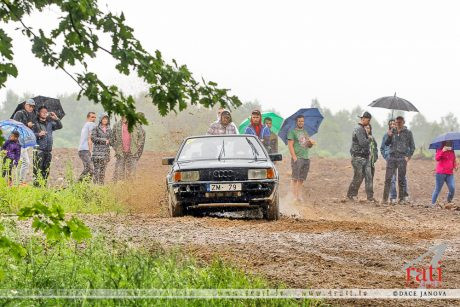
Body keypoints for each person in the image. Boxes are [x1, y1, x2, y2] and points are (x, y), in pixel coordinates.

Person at [382, 116, 415, 205]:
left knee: (401, 179)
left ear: (403, 122)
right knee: (388, 179)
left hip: (401, 157)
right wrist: (389, 136)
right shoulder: (392, 131)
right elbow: (386, 144)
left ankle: (401, 199)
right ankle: (385, 199)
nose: (398, 123)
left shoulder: (408, 133)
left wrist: (408, 156)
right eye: (397, 122)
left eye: (400, 122)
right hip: (392, 157)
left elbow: (412, 146)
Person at [347, 111, 375, 202]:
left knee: (369, 177)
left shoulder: (362, 129)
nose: (369, 122)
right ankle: (351, 195)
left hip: (365, 157)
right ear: (364, 119)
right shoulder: (359, 129)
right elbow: (363, 143)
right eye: (368, 120)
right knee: (358, 177)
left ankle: (370, 197)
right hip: (358, 158)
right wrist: (369, 138)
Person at [32, 106, 63, 186]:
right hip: (39, 150)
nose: (45, 113)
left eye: (46, 112)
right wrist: (38, 134)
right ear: (39, 113)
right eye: (43, 112)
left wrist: (56, 118)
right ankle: (36, 189)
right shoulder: (35, 123)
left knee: (46, 171)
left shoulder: (50, 123)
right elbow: (30, 135)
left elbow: (60, 126)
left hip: (48, 151)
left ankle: (43, 188)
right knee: (38, 171)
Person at [288, 115, 314, 202]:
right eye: (299, 121)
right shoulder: (292, 132)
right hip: (297, 157)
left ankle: (299, 195)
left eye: (302, 121)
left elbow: (308, 145)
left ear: (304, 122)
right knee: (295, 178)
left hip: (306, 157)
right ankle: (293, 196)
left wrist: (311, 143)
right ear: (296, 122)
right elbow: (290, 145)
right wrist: (294, 157)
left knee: (301, 179)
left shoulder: (305, 132)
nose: (301, 122)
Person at [111, 116, 144, 181]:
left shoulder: (136, 124)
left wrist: (137, 145)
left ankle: (131, 187)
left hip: (132, 152)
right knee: (120, 172)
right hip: (121, 153)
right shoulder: (116, 125)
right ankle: (122, 187)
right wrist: (116, 148)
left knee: (132, 172)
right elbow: (112, 138)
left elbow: (141, 136)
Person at [12, 98, 37, 184]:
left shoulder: (29, 115)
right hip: (17, 143)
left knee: (25, 162)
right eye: (30, 106)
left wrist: (30, 127)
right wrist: (27, 125)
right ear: (25, 105)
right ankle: (18, 183)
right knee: (22, 162)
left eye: (33, 106)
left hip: (24, 143)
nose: (31, 108)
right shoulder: (19, 113)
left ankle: (20, 182)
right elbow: (15, 126)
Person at [431, 141, 457, 206]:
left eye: (450, 143)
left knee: (452, 188)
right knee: (437, 189)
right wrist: (443, 151)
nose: (450, 144)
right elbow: (437, 158)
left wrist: (455, 166)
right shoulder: (439, 149)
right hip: (440, 173)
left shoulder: (452, 151)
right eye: (448, 143)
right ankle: (432, 204)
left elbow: (453, 160)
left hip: (450, 173)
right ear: (445, 143)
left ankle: (449, 202)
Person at [91, 114, 112, 184]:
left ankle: (101, 185)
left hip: (105, 153)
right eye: (103, 119)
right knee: (96, 169)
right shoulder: (96, 128)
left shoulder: (109, 129)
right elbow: (93, 138)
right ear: (100, 120)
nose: (105, 120)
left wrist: (111, 141)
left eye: (106, 119)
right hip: (97, 153)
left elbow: (111, 140)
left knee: (103, 170)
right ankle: (95, 184)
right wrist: (104, 140)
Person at [78, 112, 97, 181]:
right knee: (90, 169)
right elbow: (90, 138)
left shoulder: (85, 125)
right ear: (88, 118)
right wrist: (90, 150)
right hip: (85, 150)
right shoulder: (91, 124)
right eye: (92, 117)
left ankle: (84, 186)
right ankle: (78, 184)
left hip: (81, 150)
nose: (94, 118)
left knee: (88, 169)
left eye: (95, 117)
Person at [365, 124, 378, 188]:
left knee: (371, 176)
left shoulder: (372, 138)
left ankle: (369, 189)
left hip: (371, 161)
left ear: (370, 130)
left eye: (368, 128)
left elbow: (375, 148)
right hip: (363, 160)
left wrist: (375, 158)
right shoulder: (361, 137)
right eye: (366, 128)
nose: (367, 129)